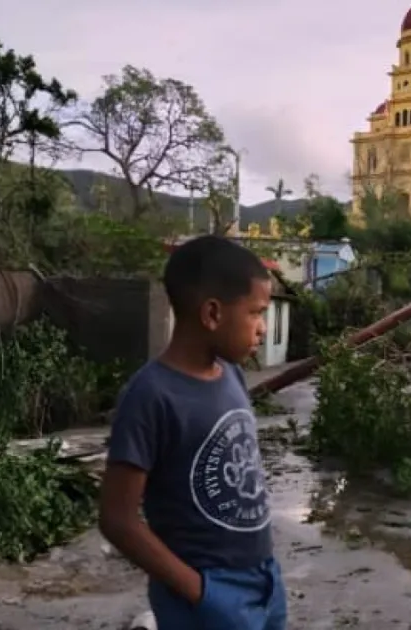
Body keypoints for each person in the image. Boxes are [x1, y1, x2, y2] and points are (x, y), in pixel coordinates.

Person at [99, 235, 286, 629]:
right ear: (213, 314)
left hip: (265, 580)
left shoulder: (232, 374)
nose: (262, 329)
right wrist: (200, 592)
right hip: (207, 596)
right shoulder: (150, 396)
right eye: (256, 313)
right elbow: (117, 519)